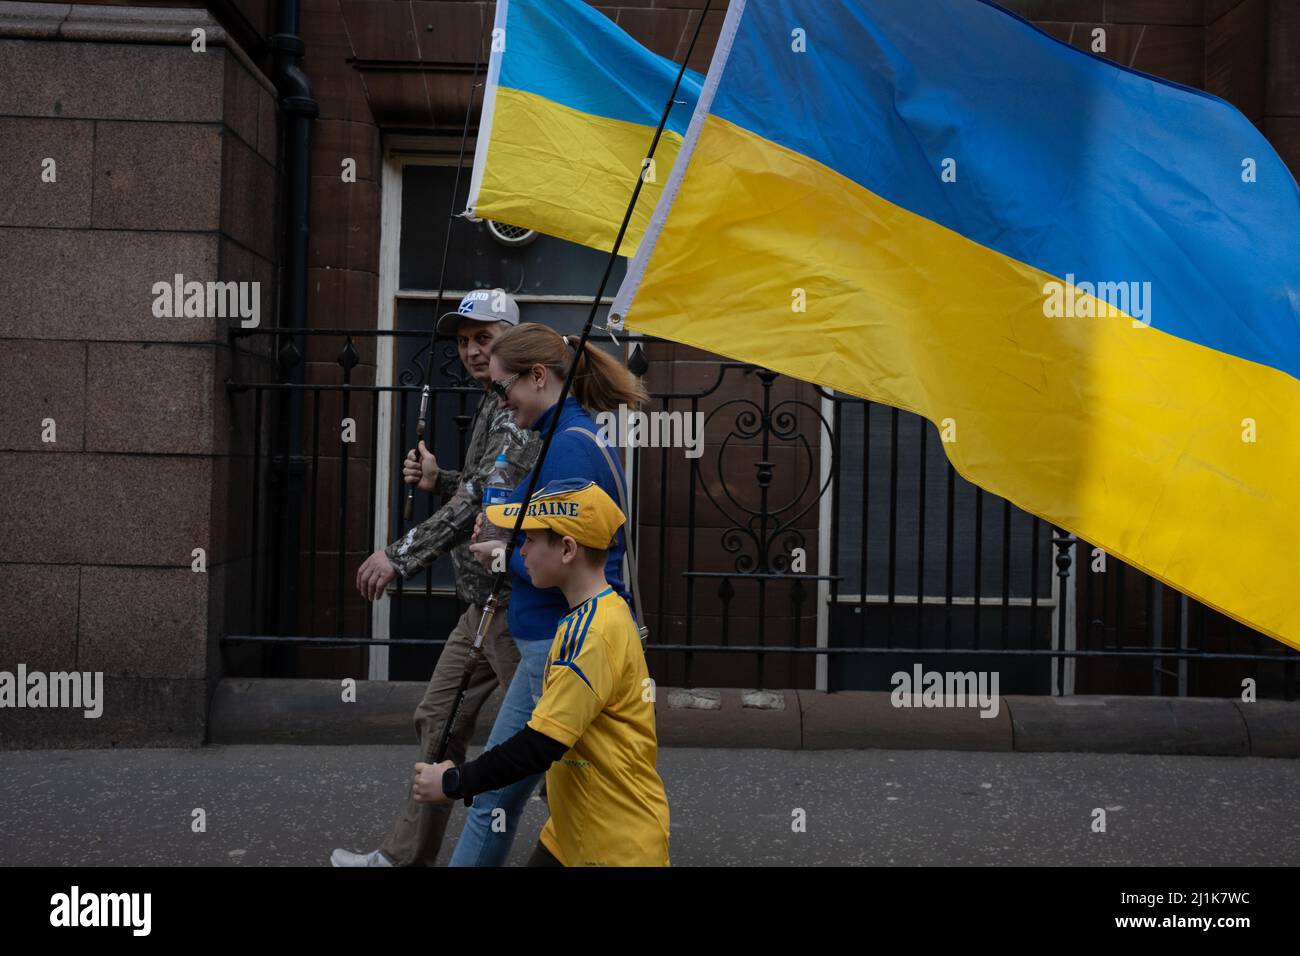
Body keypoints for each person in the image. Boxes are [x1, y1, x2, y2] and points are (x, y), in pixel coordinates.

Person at [331, 289, 540, 867]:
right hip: (482, 606)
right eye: (465, 341)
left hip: (511, 606)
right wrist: (440, 477)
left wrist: (398, 556)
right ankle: (403, 860)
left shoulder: (517, 413)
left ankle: (594, 844)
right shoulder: (497, 405)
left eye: (484, 338)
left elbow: (484, 500)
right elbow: (485, 492)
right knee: (438, 717)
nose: (473, 352)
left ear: (512, 343)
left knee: (552, 741)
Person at [444, 321, 649, 866]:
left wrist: (500, 554)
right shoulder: (568, 438)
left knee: (499, 790)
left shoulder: (567, 451)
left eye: (504, 386)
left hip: (553, 641)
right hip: (553, 637)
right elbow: (557, 539)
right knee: (534, 787)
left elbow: (564, 555)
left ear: (537, 377)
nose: (502, 401)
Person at [411, 478, 670, 867]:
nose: (521, 551)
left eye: (530, 540)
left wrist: (453, 782)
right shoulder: (592, 615)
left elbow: (540, 745)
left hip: (612, 847)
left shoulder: (593, 634)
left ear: (567, 549)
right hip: (574, 834)